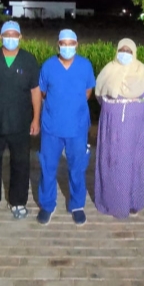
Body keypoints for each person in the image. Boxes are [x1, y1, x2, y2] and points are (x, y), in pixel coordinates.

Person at [0, 21, 42, 222]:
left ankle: (18, 202)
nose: (11, 38)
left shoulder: (28, 60)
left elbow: (35, 91)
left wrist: (36, 118)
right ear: (0, 37)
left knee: (21, 163)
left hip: (20, 122)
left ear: (20, 37)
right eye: (7, 35)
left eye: (14, 35)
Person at [36, 29, 96, 226]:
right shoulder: (48, 66)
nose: (67, 47)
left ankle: (77, 205)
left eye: (71, 43)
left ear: (76, 45)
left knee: (77, 167)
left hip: (77, 127)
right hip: (52, 127)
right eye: (64, 43)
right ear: (58, 44)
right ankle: (47, 205)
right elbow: (43, 93)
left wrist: (72, 106)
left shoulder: (85, 65)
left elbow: (88, 91)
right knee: (47, 167)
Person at [94, 38, 144, 219]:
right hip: (110, 123)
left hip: (133, 124)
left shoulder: (143, 72)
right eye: (122, 50)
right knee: (109, 159)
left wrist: (132, 109)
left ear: (134, 53)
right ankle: (109, 202)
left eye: (129, 51)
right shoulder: (108, 70)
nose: (125, 54)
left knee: (132, 161)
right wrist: (113, 109)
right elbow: (100, 95)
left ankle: (132, 202)